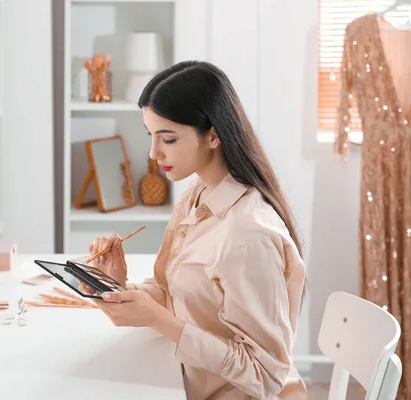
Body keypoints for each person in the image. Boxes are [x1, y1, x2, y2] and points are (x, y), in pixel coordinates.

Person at [88, 61, 307, 400]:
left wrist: (160, 320)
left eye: (169, 138)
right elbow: (177, 295)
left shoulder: (248, 236)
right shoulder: (196, 196)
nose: (153, 153)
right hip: (184, 380)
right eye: (152, 135)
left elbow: (265, 377)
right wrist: (120, 286)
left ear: (214, 135)